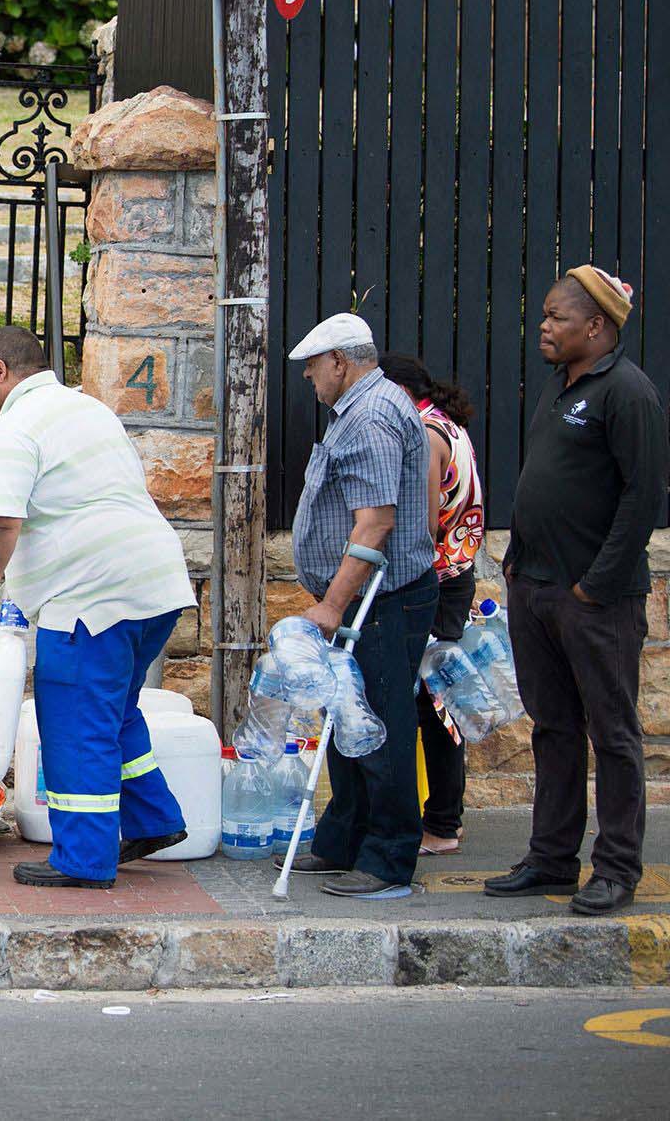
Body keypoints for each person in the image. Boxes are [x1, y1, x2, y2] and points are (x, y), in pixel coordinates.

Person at [0, 326, 197, 890]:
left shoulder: (15, 426)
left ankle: (85, 859)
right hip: (157, 584)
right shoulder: (88, 410)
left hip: (92, 596)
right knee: (113, 711)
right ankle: (153, 819)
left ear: (1, 370)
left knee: (74, 721)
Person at [484, 267, 666, 916]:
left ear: (598, 325)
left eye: (558, 318)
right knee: (553, 728)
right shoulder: (561, 390)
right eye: (544, 317)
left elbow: (643, 497)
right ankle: (552, 857)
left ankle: (616, 868)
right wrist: (519, 566)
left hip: (595, 601)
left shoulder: (627, 393)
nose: (545, 327)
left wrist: (596, 586)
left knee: (613, 735)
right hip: (536, 589)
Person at [284, 313, 439, 899]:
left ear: (340, 362)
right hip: (369, 600)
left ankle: (388, 857)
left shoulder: (371, 416)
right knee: (346, 719)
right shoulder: (363, 408)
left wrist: (332, 604)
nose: (309, 379)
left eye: (312, 368)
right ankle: (341, 840)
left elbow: (374, 525)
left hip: (382, 600)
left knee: (378, 725)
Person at [378, 353, 485, 857]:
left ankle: (442, 823)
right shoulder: (449, 426)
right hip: (457, 574)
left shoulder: (423, 434)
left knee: (432, 704)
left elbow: (421, 522)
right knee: (437, 699)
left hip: (435, 580)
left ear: (398, 390)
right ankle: (444, 818)